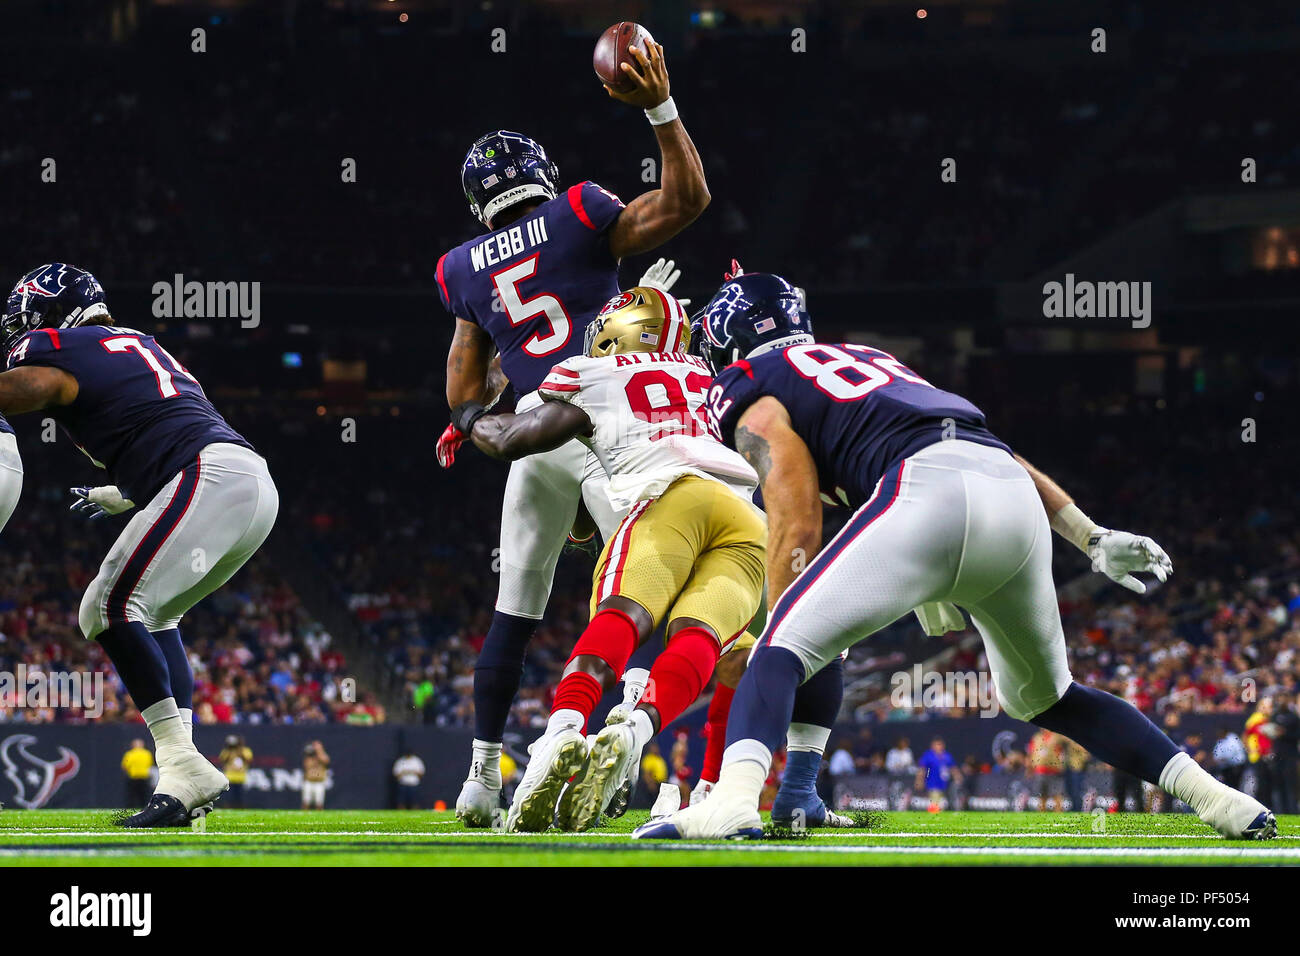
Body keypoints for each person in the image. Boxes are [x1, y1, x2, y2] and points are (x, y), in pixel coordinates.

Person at [639, 269, 1274, 841]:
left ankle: (733, 801)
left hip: (925, 497)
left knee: (781, 648)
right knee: (1050, 696)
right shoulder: (871, 358)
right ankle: (1216, 799)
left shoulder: (754, 384)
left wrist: (783, 620)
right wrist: (1090, 536)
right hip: (1010, 499)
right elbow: (990, 449)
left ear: (727, 337)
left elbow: (796, 513)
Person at [435, 38, 711, 829]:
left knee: (513, 608)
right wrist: (659, 106)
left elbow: (462, 386)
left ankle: (481, 779)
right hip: (607, 429)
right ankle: (615, 739)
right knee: (650, 590)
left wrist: (479, 425)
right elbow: (685, 201)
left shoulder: (461, 267)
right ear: (542, 177)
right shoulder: (581, 208)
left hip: (534, 431)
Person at [463, 287, 763, 832]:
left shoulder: (592, 372)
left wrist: (467, 418)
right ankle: (634, 732)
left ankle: (561, 732)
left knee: (623, 615)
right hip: (749, 516)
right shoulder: (710, 375)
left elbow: (514, 440)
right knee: (698, 637)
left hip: (671, 495)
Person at [0, 263, 278, 828]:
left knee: (104, 606)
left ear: (51, 314)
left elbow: (34, 387)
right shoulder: (138, 345)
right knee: (156, 617)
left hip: (208, 475)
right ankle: (183, 785)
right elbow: (159, 422)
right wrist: (123, 492)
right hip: (247, 484)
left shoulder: (57, 344)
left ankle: (182, 762)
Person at [916, 737, 958, 810]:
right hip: (933, 784)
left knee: (943, 805)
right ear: (932, 745)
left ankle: (939, 817)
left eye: (940, 744)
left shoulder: (947, 756)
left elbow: (953, 768)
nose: (938, 746)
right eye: (936, 744)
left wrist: (957, 777)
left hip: (945, 785)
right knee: (935, 802)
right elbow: (922, 769)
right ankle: (933, 818)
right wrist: (919, 780)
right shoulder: (928, 756)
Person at [218, 735, 253, 809]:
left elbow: (248, 759)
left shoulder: (244, 750)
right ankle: (228, 806)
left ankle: (241, 806)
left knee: (240, 794)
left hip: (240, 776)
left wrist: (240, 751)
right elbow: (222, 759)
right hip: (230, 776)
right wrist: (230, 751)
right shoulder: (227, 751)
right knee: (229, 794)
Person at [121, 739, 154, 808]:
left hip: (134, 778)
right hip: (143, 778)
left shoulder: (130, 754)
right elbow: (150, 765)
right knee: (143, 796)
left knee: (131, 797)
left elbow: (124, 766)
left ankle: (129, 811)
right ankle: (145, 810)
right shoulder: (147, 754)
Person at [302, 741, 330, 810]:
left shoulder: (322, 755)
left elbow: (326, 761)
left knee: (319, 803)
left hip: (319, 782)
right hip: (309, 781)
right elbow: (307, 765)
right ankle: (304, 818)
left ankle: (320, 818)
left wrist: (319, 751)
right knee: (306, 802)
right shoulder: (309, 756)